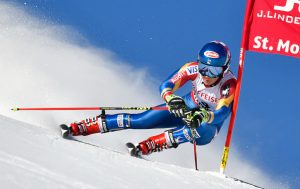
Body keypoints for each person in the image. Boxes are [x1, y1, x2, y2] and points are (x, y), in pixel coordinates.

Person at [60, 41, 236, 157]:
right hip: (187, 106)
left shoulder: (229, 84)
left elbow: (221, 112)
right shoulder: (192, 68)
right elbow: (166, 84)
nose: (206, 75)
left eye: (213, 71)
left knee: (198, 127)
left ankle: (151, 144)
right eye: (204, 68)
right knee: (141, 120)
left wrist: (205, 116)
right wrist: (170, 98)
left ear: (224, 69)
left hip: (207, 128)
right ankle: (84, 126)